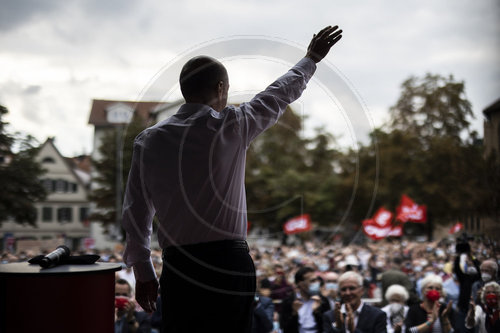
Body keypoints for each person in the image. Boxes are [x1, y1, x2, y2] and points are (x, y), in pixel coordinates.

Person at [121, 25, 343, 333]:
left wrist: (144, 271)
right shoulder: (233, 125)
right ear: (222, 87)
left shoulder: (148, 141)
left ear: (185, 89)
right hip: (228, 264)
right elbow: (278, 94)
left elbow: (136, 210)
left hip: (179, 267)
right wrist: (311, 59)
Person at [323, 271, 387, 333]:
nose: (347, 293)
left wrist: (353, 330)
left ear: (362, 290)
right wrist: (337, 327)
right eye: (343, 289)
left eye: (352, 288)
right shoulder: (330, 316)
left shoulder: (377, 315)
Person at [280, 266, 332, 333]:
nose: (316, 283)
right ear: (300, 284)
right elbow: (285, 329)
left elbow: (327, 327)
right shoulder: (289, 301)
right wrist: (294, 314)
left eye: (316, 280)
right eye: (312, 281)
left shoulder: (323, 300)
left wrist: (316, 312)